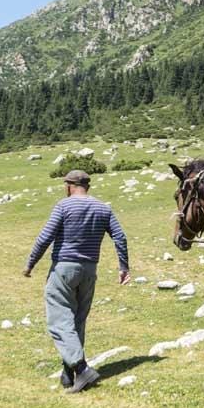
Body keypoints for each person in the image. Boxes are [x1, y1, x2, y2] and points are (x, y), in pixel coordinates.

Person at [23, 168, 130, 393]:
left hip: (64, 268)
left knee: (58, 320)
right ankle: (68, 373)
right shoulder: (103, 208)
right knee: (77, 321)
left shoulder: (64, 206)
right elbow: (119, 236)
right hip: (89, 269)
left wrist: (31, 263)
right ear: (87, 186)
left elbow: (46, 236)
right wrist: (123, 267)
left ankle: (81, 369)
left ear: (69, 186)